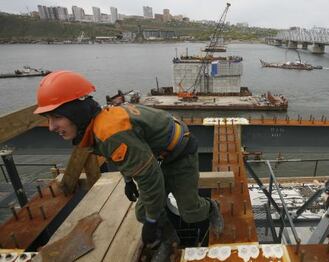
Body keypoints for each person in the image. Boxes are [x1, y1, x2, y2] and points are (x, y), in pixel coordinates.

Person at [34, 71, 224, 261]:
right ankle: (169, 241)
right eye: (48, 119)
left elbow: (152, 177)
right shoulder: (97, 126)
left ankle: (211, 207)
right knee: (143, 212)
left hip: (180, 152)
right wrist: (128, 180)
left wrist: (152, 221)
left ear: (76, 113)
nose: (51, 127)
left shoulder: (109, 131)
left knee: (190, 212)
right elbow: (122, 158)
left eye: (57, 117)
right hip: (158, 154)